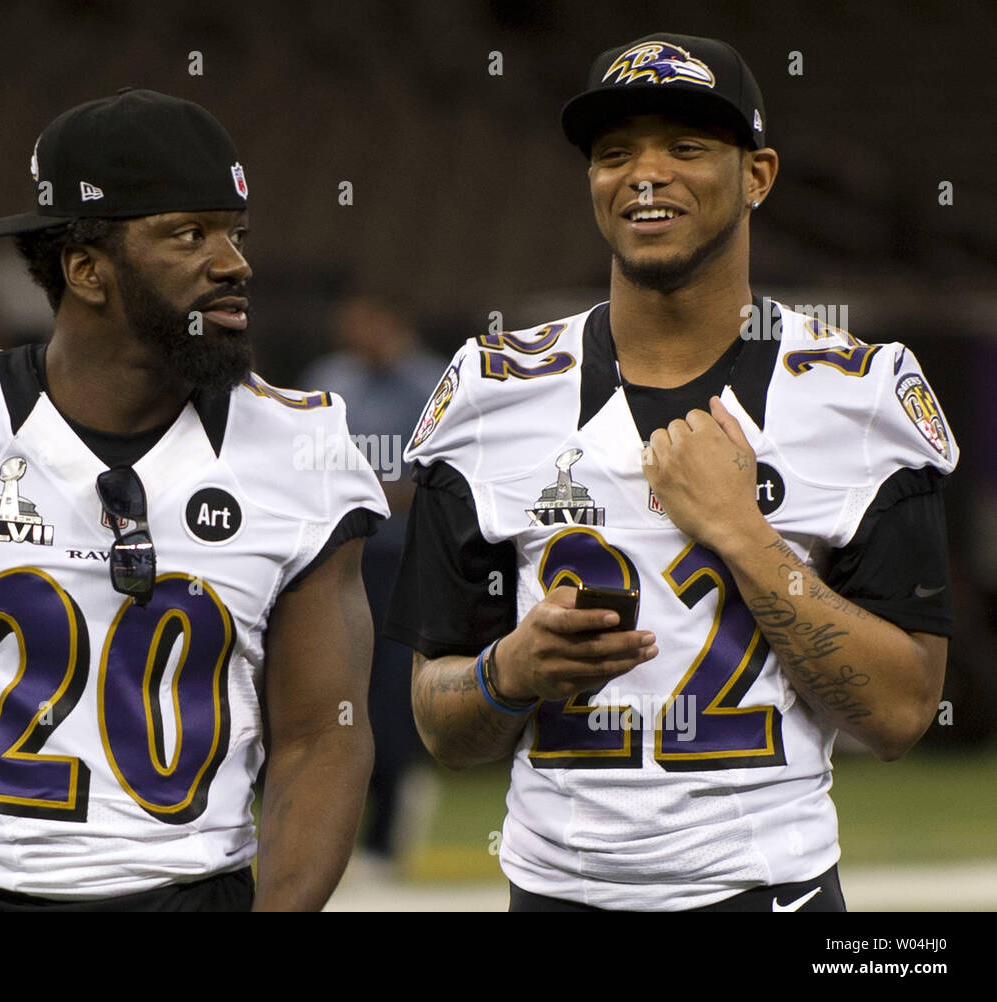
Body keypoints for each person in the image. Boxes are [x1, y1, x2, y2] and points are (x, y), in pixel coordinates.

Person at [0, 88, 388, 912]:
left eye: (236, 231)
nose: (235, 261)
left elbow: (322, 735)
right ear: (87, 269)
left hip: (193, 895)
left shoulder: (300, 452)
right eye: (189, 233)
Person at [385, 34, 957, 911]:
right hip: (553, 891)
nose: (645, 174)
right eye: (616, 153)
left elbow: (901, 715)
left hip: (771, 890)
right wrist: (509, 671)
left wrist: (741, 534)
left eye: (686, 147)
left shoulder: (861, 396)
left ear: (758, 175)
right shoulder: (490, 392)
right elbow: (439, 723)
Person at [301, 297, 446, 865]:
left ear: (394, 325)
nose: (358, 338)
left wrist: (365, 496)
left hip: (401, 561)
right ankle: (341, 829)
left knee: (390, 695)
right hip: (335, 556)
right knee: (336, 693)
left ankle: (386, 830)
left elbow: (443, 476)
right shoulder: (330, 379)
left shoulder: (430, 381)